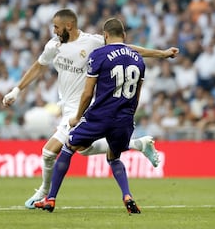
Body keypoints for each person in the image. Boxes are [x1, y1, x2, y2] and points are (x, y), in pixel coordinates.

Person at [2, 9, 179, 209]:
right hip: (66, 108)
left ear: (69, 25)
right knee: (84, 151)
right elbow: (38, 66)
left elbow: (126, 48)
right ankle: (138, 145)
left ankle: (44, 193)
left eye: (57, 27)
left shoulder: (93, 42)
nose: (54, 31)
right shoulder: (53, 46)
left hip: (83, 109)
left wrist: (161, 54)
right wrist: (16, 90)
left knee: (48, 153)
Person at [34, 17, 150, 213]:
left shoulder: (98, 54)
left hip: (100, 116)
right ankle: (127, 194)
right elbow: (136, 96)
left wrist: (77, 116)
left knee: (69, 146)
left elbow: (88, 93)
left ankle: (51, 198)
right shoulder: (138, 59)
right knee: (114, 158)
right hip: (125, 119)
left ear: (105, 35)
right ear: (124, 35)